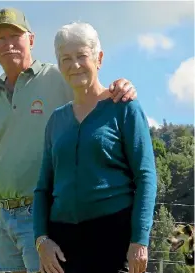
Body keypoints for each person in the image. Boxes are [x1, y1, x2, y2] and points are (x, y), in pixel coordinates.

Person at [0, 7, 138, 273]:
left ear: (31, 40)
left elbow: (93, 94)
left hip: (43, 214)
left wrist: (121, 86)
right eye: (0, 38)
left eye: (14, 36)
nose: (8, 44)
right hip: (5, 215)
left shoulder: (59, 75)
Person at [32, 22, 157, 273]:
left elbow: (146, 177)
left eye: (81, 56)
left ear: (98, 58)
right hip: (62, 246)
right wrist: (41, 240)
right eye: (66, 58)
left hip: (114, 238)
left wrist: (139, 241)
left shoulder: (124, 108)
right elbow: (42, 188)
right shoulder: (56, 120)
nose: (74, 64)